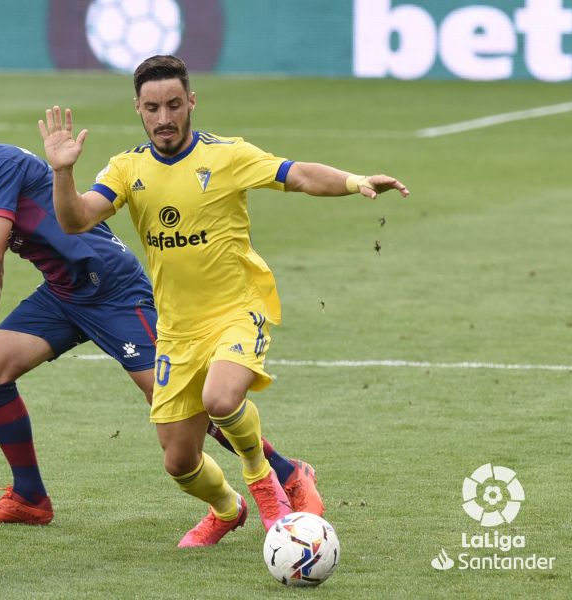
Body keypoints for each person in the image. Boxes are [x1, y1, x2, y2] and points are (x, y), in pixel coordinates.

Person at [0, 104, 323, 530]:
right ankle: (29, 497)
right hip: (63, 294)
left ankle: (286, 472)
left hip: (114, 290)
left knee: (176, 406)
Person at [38, 54, 410, 548]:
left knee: (220, 398)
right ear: (138, 109)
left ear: (192, 101)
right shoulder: (127, 168)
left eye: (174, 104)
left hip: (237, 309)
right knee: (179, 462)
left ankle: (272, 488)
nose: (164, 117)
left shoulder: (226, 155)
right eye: (153, 107)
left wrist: (353, 181)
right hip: (176, 329)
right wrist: (62, 173)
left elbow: (296, 173)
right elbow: (75, 220)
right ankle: (227, 508)